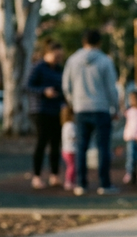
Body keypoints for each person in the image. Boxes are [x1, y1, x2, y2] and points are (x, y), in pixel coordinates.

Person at [62, 29, 120, 196]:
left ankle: (81, 184)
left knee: (81, 147)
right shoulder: (104, 61)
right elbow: (111, 88)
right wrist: (115, 107)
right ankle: (105, 184)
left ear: (83, 41)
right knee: (103, 147)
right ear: (99, 42)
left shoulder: (73, 60)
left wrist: (73, 102)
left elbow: (66, 85)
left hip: (80, 108)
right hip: (101, 108)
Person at [27, 40, 65, 189]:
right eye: (56, 56)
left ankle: (54, 175)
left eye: (60, 56)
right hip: (40, 110)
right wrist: (44, 91)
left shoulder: (59, 70)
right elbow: (28, 86)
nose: (58, 59)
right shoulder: (38, 68)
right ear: (47, 54)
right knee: (42, 142)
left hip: (56, 110)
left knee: (56, 143)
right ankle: (36, 176)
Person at [60, 104, 77, 191]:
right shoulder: (71, 125)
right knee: (72, 167)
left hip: (66, 150)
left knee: (71, 166)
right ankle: (69, 182)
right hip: (70, 150)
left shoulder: (65, 125)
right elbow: (73, 137)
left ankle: (71, 181)